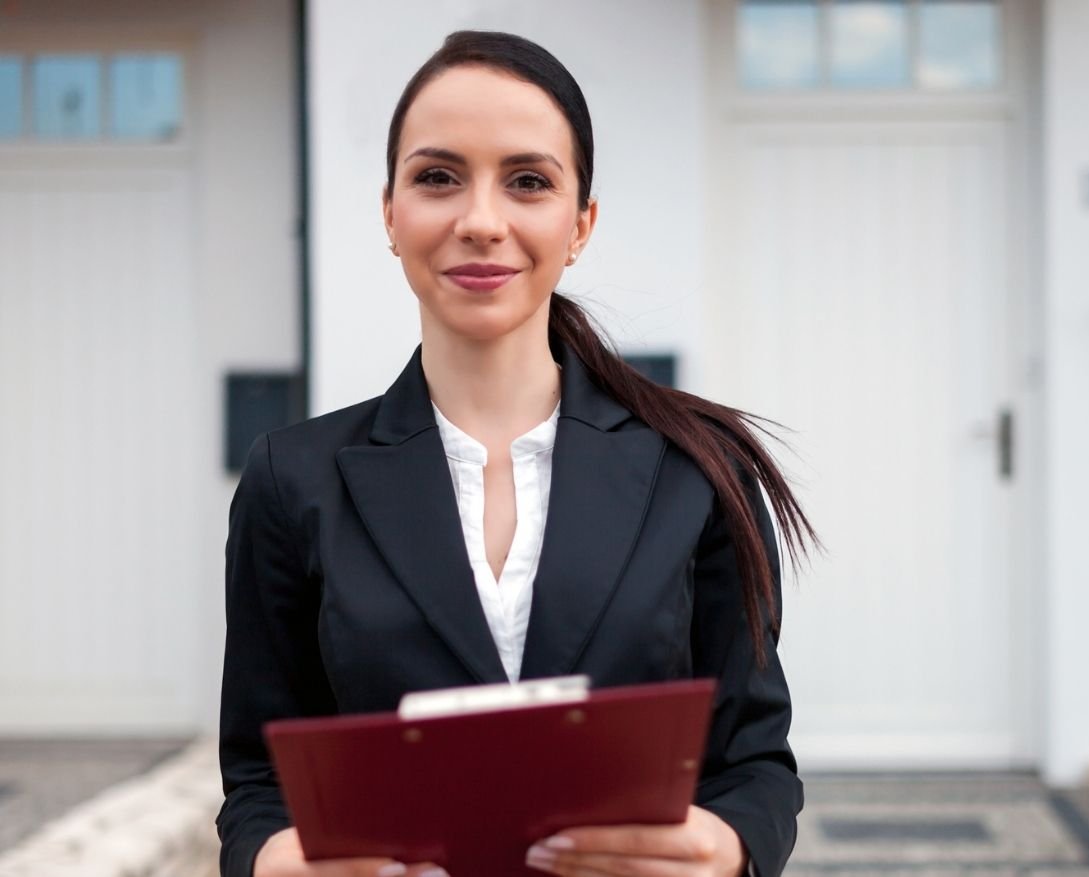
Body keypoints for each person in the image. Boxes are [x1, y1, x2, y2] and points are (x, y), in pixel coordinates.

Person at [217, 30, 815, 877]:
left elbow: (753, 764)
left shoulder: (699, 469)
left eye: (528, 181)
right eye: (438, 177)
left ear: (580, 224)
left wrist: (724, 849)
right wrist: (275, 863)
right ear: (391, 213)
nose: (481, 221)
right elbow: (256, 780)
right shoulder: (290, 479)